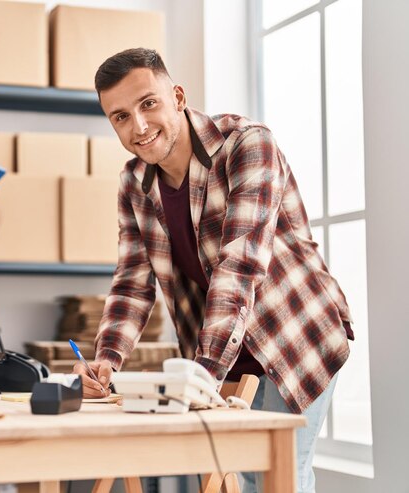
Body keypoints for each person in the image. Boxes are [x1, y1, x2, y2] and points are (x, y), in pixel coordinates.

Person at [72, 48, 354, 493]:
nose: (139, 127)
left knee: (280, 478)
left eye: (148, 104)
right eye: (121, 117)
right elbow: (131, 283)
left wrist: (200, 375)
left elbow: (239, 267)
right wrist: (106, 361)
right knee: (240, 480)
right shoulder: (133, 183)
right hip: (225, 354)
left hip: (293, 336)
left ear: (178, 96)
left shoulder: (247, 145)